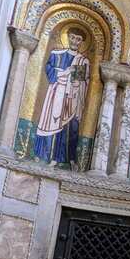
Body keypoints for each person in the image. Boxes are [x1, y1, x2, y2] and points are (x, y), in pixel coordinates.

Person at [33, 29, 90, 166]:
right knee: (48, 122)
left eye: (78, 39)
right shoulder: (57, 54)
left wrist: (76, 83)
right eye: (72, 37)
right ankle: (41, 154)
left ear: (82, 42)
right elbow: (49, 69)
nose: (75, 41)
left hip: (70, 98)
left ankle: (58, 158)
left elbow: (78, 82)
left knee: (66, 126)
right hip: (54, 94)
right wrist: (64, 73)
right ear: (68, 37)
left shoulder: (82, 61)